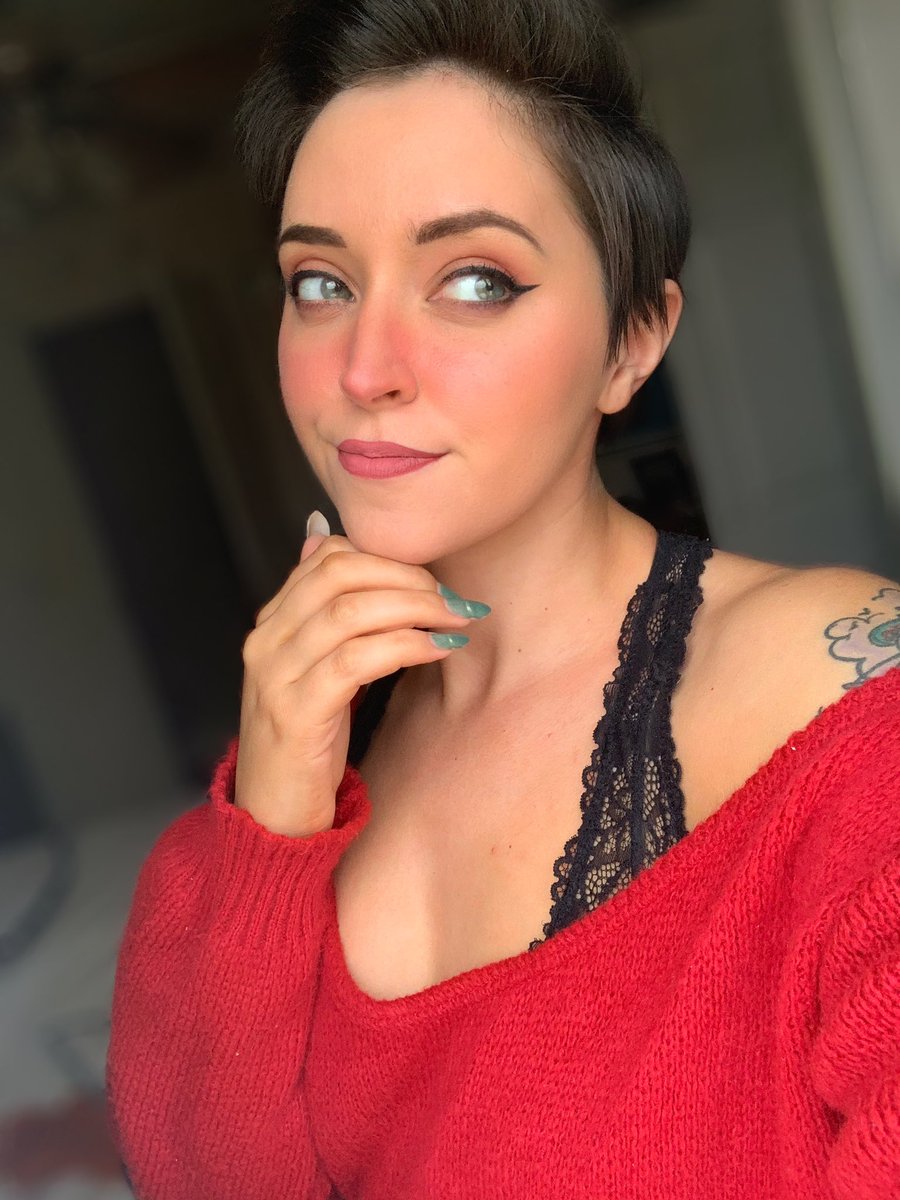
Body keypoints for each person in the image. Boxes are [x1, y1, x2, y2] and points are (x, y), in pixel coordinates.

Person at [105, 1, 900, 1196]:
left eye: (474, 280)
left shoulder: (853, 724)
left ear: (633, 342)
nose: (364, 369)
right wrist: (269, 826)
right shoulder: (294, 762)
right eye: (320, 282)